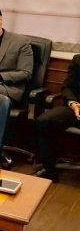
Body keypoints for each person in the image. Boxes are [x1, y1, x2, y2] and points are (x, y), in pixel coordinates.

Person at [34, 54, 79, 182]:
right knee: (44, 121)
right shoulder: (78, 59)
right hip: (76, 108)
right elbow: (67, 88)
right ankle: (49, 170)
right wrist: (73, 103)